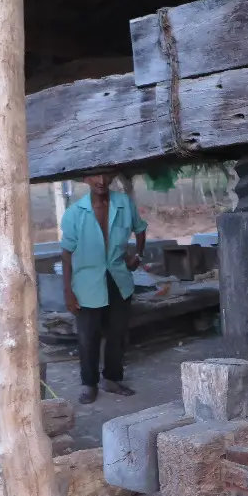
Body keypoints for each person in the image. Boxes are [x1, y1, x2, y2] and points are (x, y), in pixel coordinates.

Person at [60, 173, 148, 404]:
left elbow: (140, 229)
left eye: (105, 175)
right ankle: (89, 383)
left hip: (119, 278)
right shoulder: (74, 213)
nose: (101, 180)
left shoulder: (124, 203)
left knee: (117, 333)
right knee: (88, 336)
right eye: (94, 176)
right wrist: (68, 291)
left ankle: (111, 379)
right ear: (85, 179)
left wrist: (137, 255)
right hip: (87, 282)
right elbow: (66, 255)